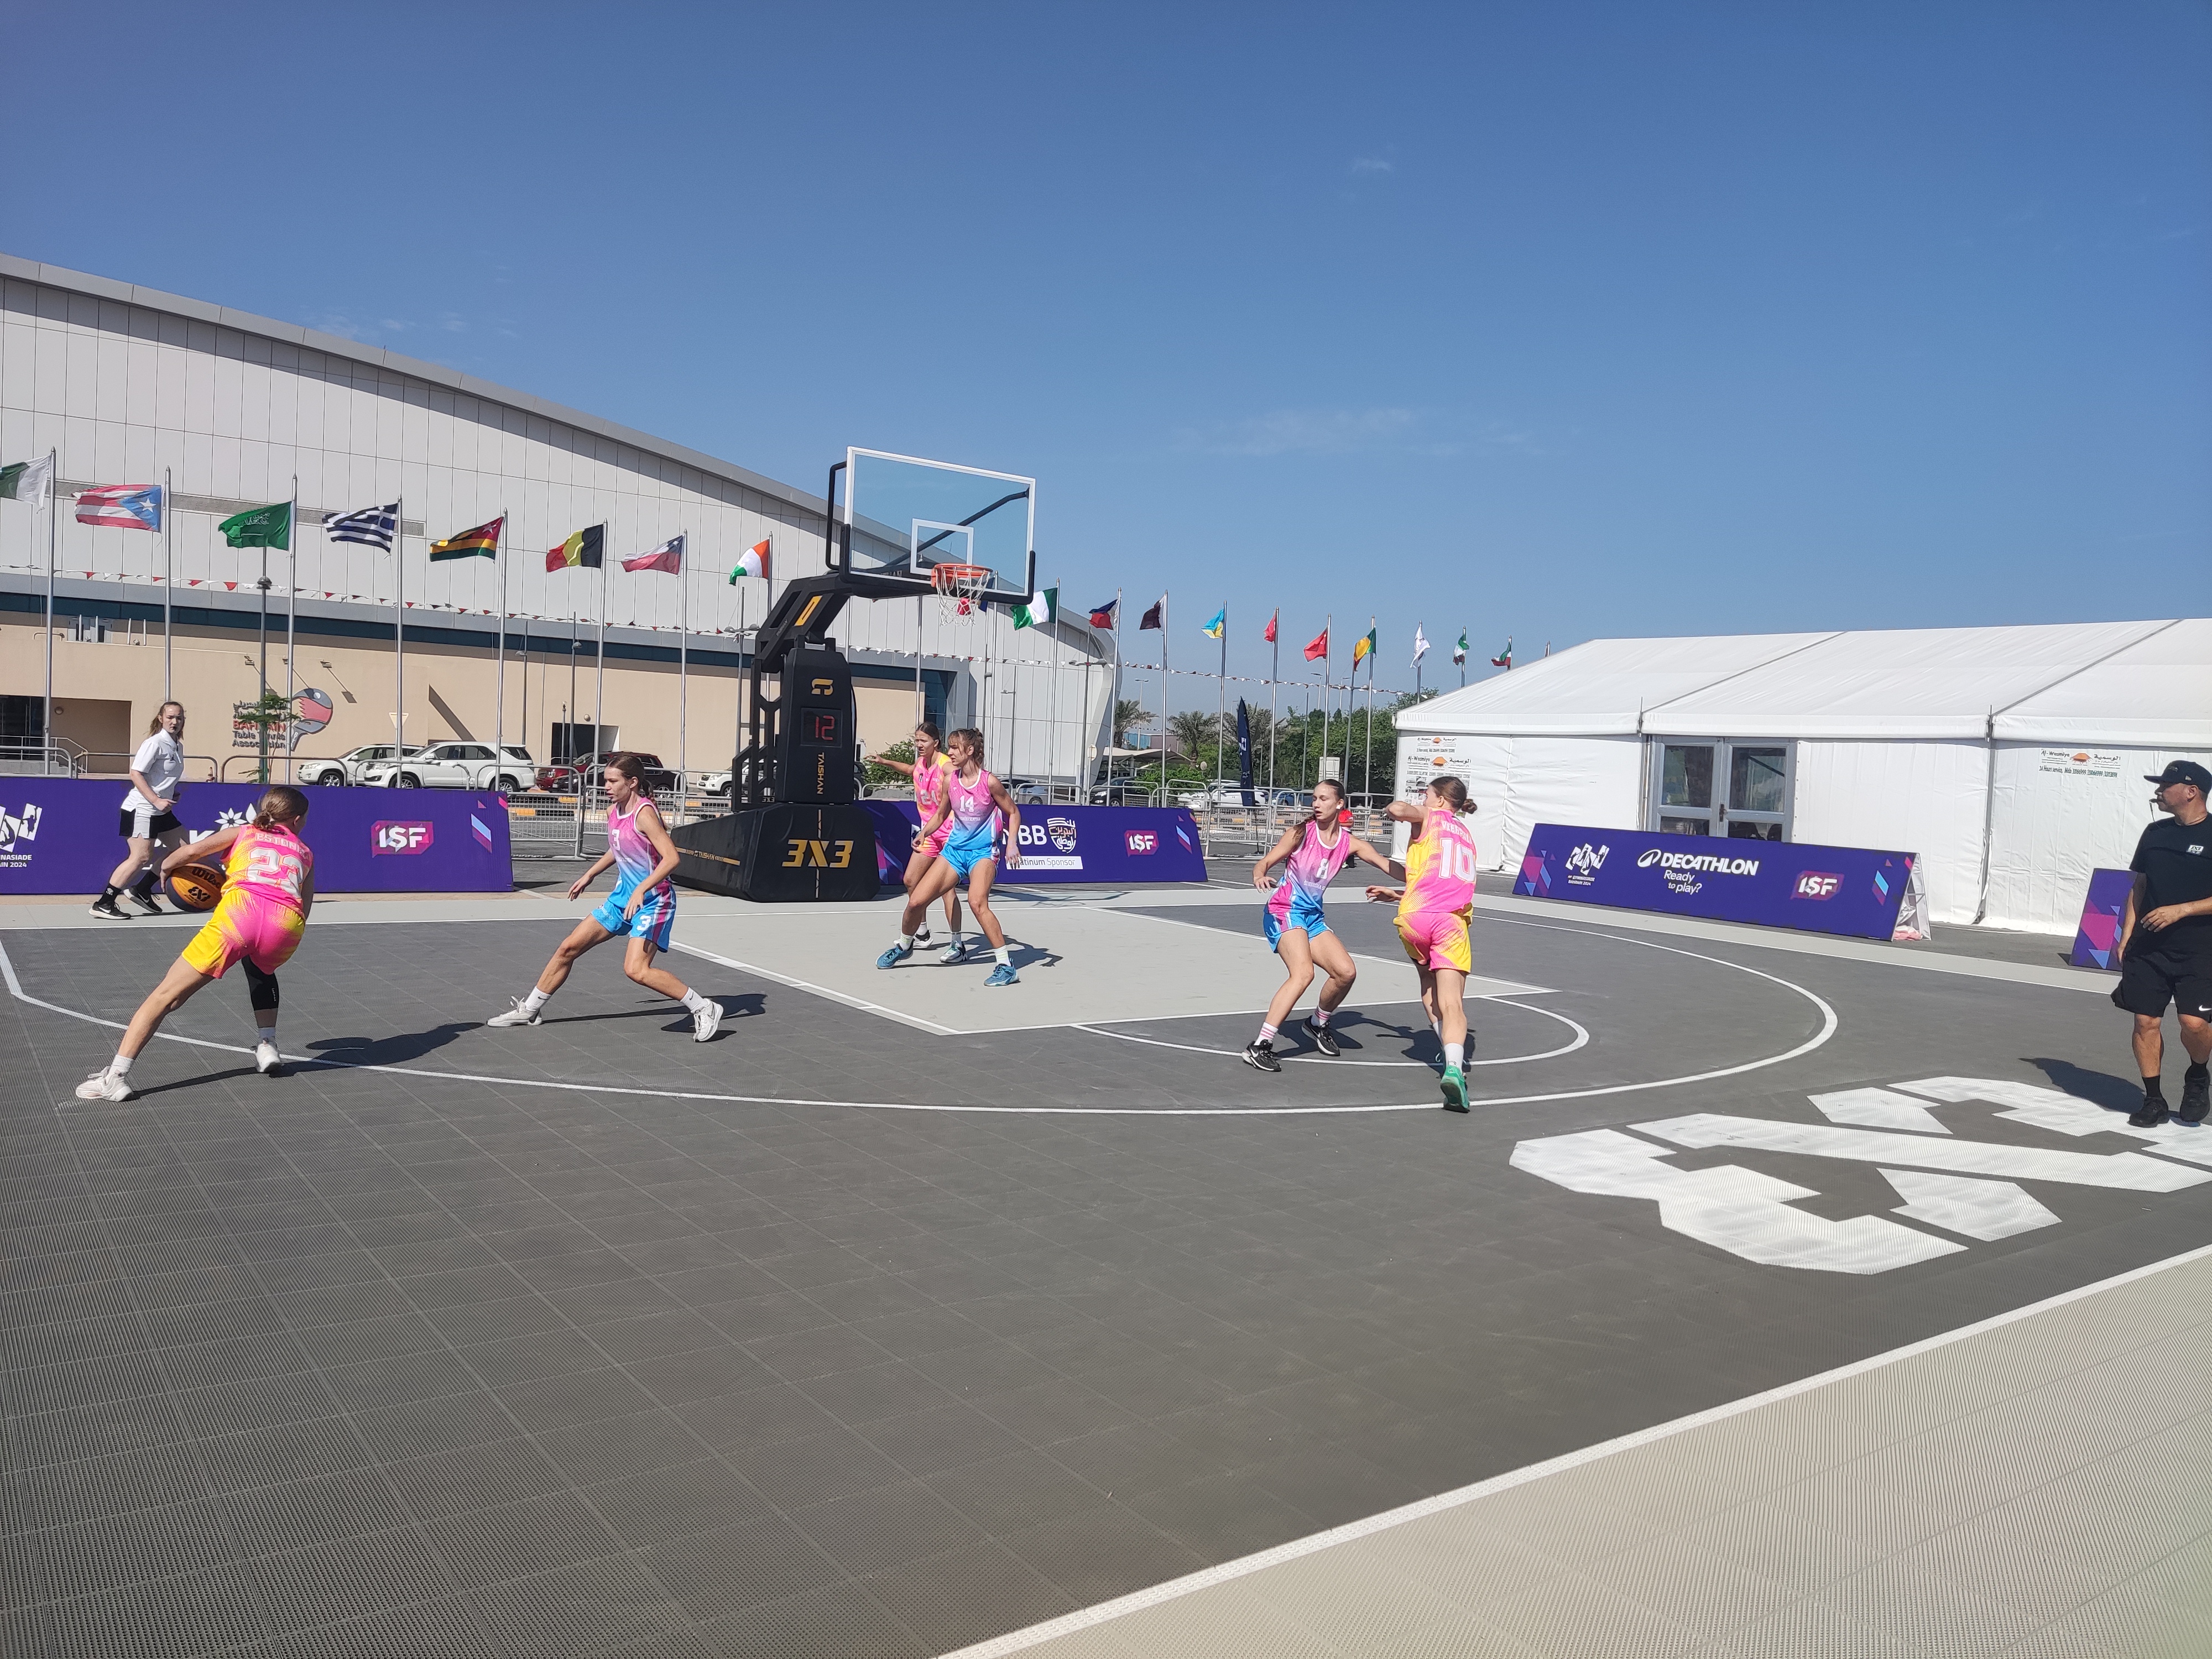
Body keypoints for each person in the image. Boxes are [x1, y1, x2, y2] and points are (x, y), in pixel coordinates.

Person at [74, 785, 316, 1102]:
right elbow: (305, 905)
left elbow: (189, 853)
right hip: (285, 926)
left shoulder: (243, 832)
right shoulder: (304, 851)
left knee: (165, 997)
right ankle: (268, 1044)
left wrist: (166, 870)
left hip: (239, 917)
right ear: (297, 820)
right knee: (260, 968)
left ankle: (115, 1077)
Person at [486, 753, 722, 1039]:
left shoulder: (645, 814)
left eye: (612, 781)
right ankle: (530, 1010)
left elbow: (672, 858)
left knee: (636, 970)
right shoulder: (614, 811)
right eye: (605, 781)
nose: (606, 787)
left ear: (632, 782)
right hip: (622, 899)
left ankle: (704, 1007)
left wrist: (641, 889)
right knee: (568, 948)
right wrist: (590, 874)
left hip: (654, 902)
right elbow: (618, 847)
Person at [1242, 777, 1399, 1072]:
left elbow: (1386, 865)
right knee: (1303, 974)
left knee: (1346, 972)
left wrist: (1423, 877)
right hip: (1285, 910)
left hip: (1312, 916)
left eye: (1323, 799)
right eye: (1314, 798)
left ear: (1340, 804)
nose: (1316, 803)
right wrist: (1259, 875)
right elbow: (1264, 863)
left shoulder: (1350, 843)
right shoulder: (1300, 833)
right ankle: (1260, 1045)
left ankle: (1317, 1023)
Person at [1367, 777, 1481, 1113]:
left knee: (1428, 984)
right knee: (1453, 1003)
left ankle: (1443, 1046)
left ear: (1442, 799)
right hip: (1449, 922)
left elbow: (1397, 809)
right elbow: (1446, 885)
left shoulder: (1429, 817)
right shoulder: (1465, 836)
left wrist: (1397, 896)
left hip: (1414, 919)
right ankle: (1454, 1068)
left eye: (1427, 794)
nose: (1423, 799)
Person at [877, 727, 1024, 985]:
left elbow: (1012, 812)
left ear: (970, 750)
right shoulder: (950, 781)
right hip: (954, 852)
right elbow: (941, 815)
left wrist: (1012, 844)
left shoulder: (989, 782)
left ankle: (1005, 965)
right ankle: (905, 945)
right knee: (915, 902)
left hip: (982, 853)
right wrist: (924, 833)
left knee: (977, 903)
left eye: (955, 747)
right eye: (950, 747)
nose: (951, 752)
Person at [2116, 759, 2212, 1128]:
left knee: (2194, 1024)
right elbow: (2140, 885)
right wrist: (2126, 935)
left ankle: (2198, 1075)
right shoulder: (2154, 833)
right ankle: (2153, 1099)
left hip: (2201, 950)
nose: (2158, 791)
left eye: (2165, 785)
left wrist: (2183, 910)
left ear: (2191, 792)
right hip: (2149, 948)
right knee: (2145, 1021)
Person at [868, 722, 966, 961]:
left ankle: (957, 943)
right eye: (916, 740)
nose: (919, 744)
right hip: (929, 833)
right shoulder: (921, 763)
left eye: (923, 740)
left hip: (950, 834)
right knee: (911, 880)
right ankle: (922, 933)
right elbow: (909, 769)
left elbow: (962, 779)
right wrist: (885, 762)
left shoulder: (945, 765)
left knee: (947, 891)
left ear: (936, 743)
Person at [93, 701, 189, 919]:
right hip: (142, 808)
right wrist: (156, 799)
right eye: (170, 717)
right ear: (161, 718)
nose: (175, 722)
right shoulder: (154, 743)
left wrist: (170, 793)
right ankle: (104, 903)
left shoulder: (177, 746)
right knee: (141, 857)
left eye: (179, 718)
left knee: (184, 850)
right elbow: (135, 774)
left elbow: (161, 777)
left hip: (161, 810)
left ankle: (142, 890)